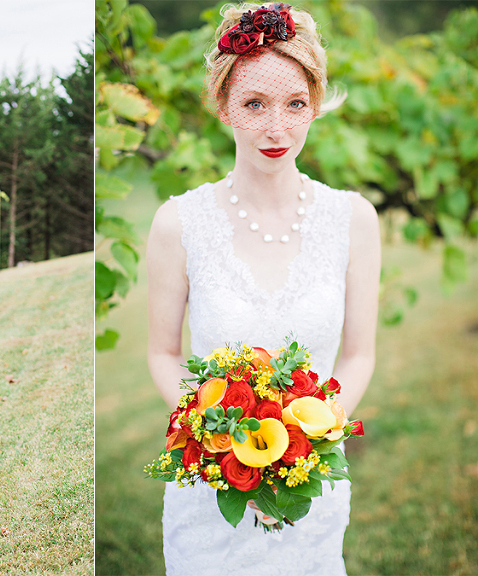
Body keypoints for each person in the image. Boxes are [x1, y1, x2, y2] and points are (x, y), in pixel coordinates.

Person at [146, 3, 380, 574]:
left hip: (311, 489)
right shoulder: (179, 223)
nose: (277, 128)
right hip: (211, 489)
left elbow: (358, 355)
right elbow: (163, 353)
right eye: (254, 104)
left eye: (295, 104)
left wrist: (308, 441)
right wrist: (216, 440)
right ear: (224, 105)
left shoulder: (353, 219)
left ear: (315, 104)